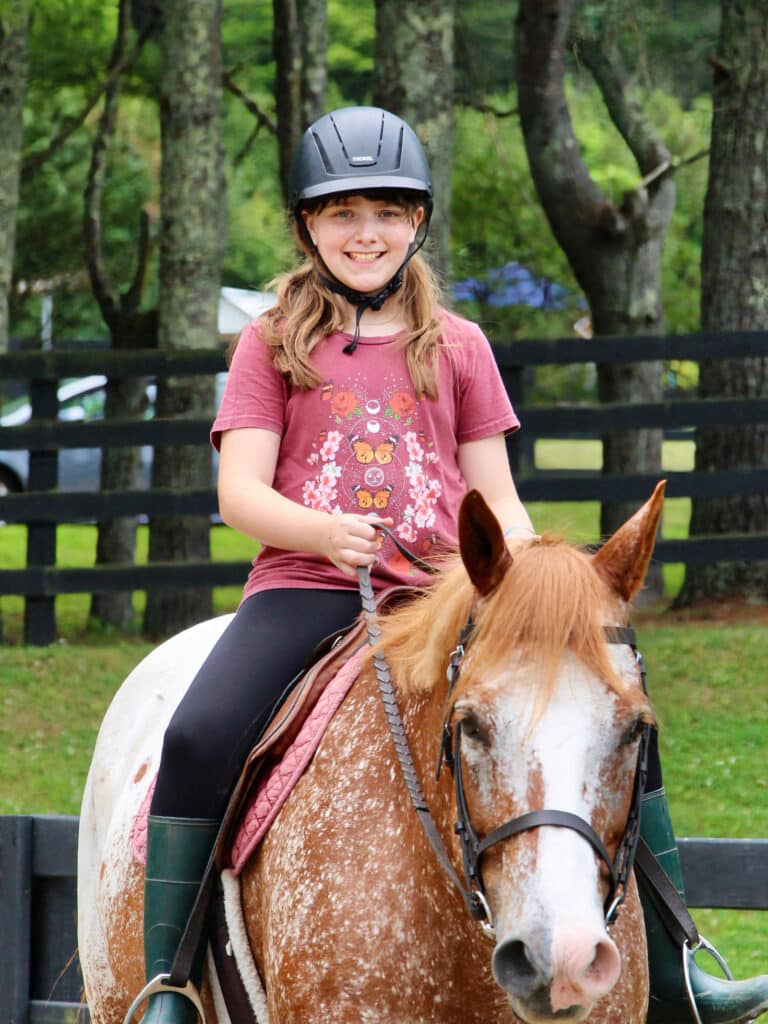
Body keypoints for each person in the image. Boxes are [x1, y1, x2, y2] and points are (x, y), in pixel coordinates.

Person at [131, 106, 768, 1024]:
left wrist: (537, 573)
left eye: (388, 212)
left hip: (446, 592)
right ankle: (170, 986)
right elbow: (240, 494)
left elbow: (495, 497)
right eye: (343, 213)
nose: (367, 233)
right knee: (198, 737)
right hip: (309, 589)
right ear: (308, 226)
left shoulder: (460, 347)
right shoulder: (269, 342)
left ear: (417, 222)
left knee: (618, 714)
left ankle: (674, 973)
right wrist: (320, 532)